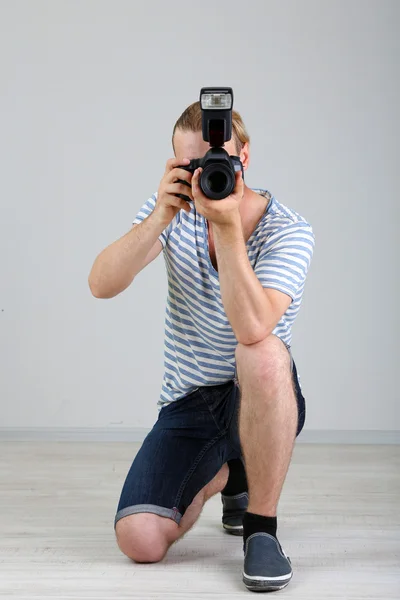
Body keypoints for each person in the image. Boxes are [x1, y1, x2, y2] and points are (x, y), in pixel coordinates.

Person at [88, 100, 315, 593]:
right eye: (193, 166)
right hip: (188, 404)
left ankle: (261, 529)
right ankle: (233, 473)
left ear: (244, 158)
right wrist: (158, 218)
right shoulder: (172, 213)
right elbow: (101, 284)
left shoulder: (288, 230)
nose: (207, 175)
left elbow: (254, 327)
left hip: (259, 395)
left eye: (218, 163)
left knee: (261, 351)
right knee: (139, 540)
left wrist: (228, 228)